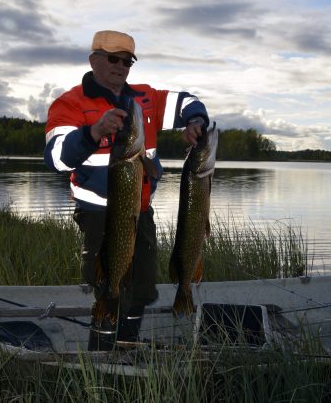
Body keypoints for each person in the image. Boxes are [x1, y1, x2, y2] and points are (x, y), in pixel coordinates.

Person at [44, 30, 209, 349]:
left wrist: (195, 121)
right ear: (94, 60)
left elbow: (187, 101)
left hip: (138, 211)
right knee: (108, 283)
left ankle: (127, 345)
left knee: (144, 287)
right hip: (96, 214)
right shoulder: (70, 102)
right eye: (112, 59)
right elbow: (56, 158)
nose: (121, 65)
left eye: (127, 60)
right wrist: (92, 132)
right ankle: (102, 350)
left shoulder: (145, 97)